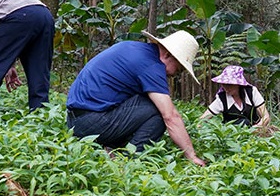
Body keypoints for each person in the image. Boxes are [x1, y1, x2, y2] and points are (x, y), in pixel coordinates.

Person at [66, 30, 206, 166]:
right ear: (168, 55)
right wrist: (191, 155)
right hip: (90, 121)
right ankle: (128, 159)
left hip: (75, 120)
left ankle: (110, 148)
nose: (176, 74)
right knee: (158, 112)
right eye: (179, 68)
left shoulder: (132, 47)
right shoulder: (152, 66)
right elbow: (171, 116)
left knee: (148, 103)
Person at [199, 64, 271, 127]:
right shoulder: (222, 99)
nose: (226, 88)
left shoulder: (251, 92)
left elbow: (266, 117)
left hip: (255, 134)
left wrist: (256, 128)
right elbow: (203, 119)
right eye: (224, 84)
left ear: (238, 84)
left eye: (229, 85)